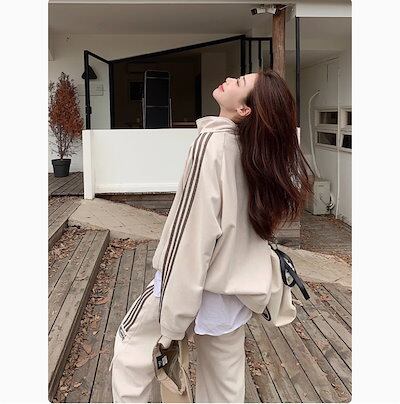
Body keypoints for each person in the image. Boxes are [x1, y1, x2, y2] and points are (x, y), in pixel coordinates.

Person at [109, 68, 314, 403]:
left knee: (132, 353)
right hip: (232, 296)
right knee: (224, 389)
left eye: (240, 82)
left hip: (189, 286)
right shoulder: (252, 153)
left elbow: (191, 235)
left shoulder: (212, 143)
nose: (230, 80)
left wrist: (173, 322)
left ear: (244, 109)